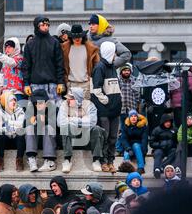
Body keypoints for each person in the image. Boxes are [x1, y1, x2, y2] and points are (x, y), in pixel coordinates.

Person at [58, 87, 106, 173]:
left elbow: (92, 122)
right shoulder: (64, 104)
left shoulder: (90, 105)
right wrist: (83, 120)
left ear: (77, 99)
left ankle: (96, 160)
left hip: (87, 138)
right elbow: (60, 123)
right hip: (72, 139)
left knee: (97, 129)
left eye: (71, 98)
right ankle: (67, 160)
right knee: (65, 127)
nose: (68, 100)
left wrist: (71, 119)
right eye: (68, 98)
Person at [91, 41, 122, 173]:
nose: (115, 55)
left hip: (115, 110)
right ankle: (103, 161)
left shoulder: (113, 67)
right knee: (105, 136)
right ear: (109, 51)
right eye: (114, 51)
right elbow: (96, 90)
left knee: (113, 137)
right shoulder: (99, 68)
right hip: (104, 110)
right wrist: (107, 101)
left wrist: (117, 102)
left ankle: (111, 161)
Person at [22, 16, 66, 106]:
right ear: (37, 26)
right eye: (43, 25)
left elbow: (60, 64)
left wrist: (60, 82)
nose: (46, 27)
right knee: (37, 114)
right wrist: (26, 84)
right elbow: (26, 66)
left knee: (54, 113)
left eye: (47, 25)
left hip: (52, 85)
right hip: (35, 85)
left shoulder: (54, 42)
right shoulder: (30, 44)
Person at [61, 24, 99, 100]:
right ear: (71, 37)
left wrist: (92, 80)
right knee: (71, 110)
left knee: (85, 110)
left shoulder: (91, 49)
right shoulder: (64, 48)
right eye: (75, 37)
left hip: (85, 84)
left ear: (83, 36)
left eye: (79, 36)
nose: (77, 39)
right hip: (71, 84)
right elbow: (60, 65)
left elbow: (96, 66)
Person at [25, 89, 58, 172]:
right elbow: (23, 125)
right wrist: (32, 121)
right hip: (34, 140)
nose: (37, 105)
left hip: (50, 139)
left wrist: (45, 119)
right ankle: (31, 159)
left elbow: (57, 125)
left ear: (46, 103)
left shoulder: (53, 108)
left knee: (48, 127)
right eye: (36, 103)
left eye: (40, 103)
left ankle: (50, 161)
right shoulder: (31, 108)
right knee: (29, 127)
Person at [0, 91, 26, 171]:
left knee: (20, 134)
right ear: (5, 102)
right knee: (0, 135)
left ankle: (19, 160)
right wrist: (14, 126)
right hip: (5, 140)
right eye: (11, 100)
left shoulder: (20, 110)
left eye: (15, 100)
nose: (14, 102)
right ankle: (0, 160)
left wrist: (7, 124)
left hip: (16, 140)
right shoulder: (0, 112)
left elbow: (20, 125)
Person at [116, 63, 140, 153]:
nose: (126, 72)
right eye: (125, 70)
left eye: (128, 70)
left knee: (130, 129)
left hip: (131, 109)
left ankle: (128, 148)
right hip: (120, 108)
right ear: (121, 71)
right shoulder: (118, 80)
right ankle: (119, 148)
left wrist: (138, 107)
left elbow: (137, 94)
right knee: (121, 129)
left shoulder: (134, 80)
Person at [120, 110, 149, 174]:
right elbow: (124, 139)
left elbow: (144, 140)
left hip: (139, 146)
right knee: (126, 154)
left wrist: (143, 153)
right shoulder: (126, 126)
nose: (133, 118)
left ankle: (141, 167)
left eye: (135, 116)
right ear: (129, 118)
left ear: (137, 118)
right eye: (132, 116)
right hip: (129, 146)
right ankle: (126, 168)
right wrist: (128, 149)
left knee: (136, 145)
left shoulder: (143, 126)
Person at [150, 113, 178, 179]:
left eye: (169, 122)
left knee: (174, 151)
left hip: (170, 148)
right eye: (166, 122)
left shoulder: (174, 129)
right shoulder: (157, 130)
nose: (168, 123)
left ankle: (162, 166)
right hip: (160, 148)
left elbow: (178, 141)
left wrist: (172, 143)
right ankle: (156, 169)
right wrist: (160, 144)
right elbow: (151, 143)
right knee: (157, 153)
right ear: (163, 122)